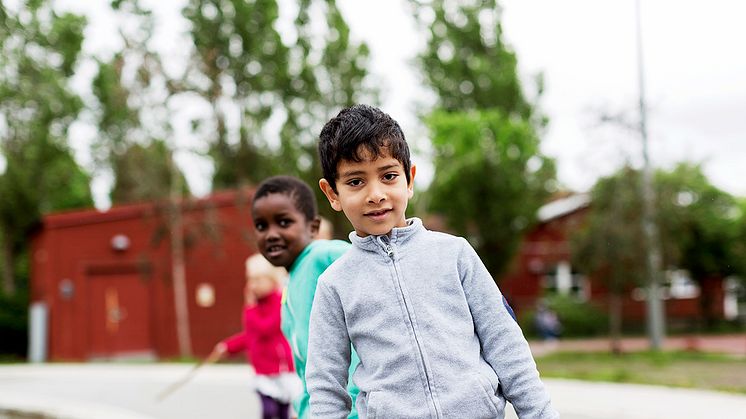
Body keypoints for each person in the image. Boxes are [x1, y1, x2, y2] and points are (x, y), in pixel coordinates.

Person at [307, 104, 559, 418]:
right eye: (356, 182)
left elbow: (505, 343)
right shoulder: (334, 285)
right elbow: (325, 389)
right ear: (332, 193)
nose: (376, 194)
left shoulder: (455, 254)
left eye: (388, 176)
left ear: (409, 179)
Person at [250, 175, 359, 419]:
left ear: (313, 227)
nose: (271, 234)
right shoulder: (290, 281)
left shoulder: (322, 254)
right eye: (261, 226)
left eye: (284, 222)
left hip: (352, 408)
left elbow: (368, 263)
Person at [211, 254, 300, 419]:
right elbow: (251, 335)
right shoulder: (255, 307)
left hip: (281, 369)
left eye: (258, 280)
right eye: (250, 280)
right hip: (263, 371)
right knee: (269, 411)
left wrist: (250, 308)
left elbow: (265, 329)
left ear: (272, 280)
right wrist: (229, 346)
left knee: (282, 413)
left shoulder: (278, 301)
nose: (252, 286)